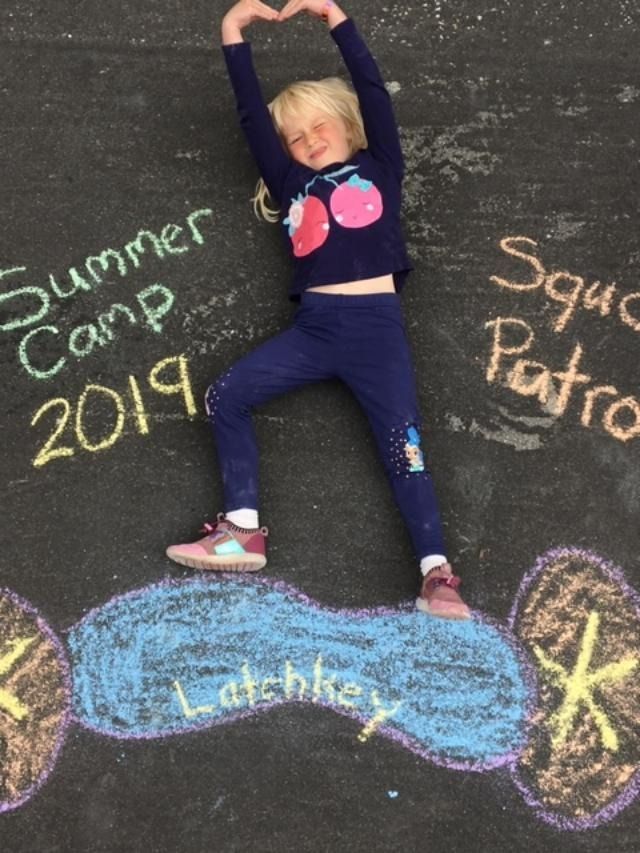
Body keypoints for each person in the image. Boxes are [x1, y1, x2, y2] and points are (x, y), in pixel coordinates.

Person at [166, 0, 471, 620]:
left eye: (318, 127)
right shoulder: (288, 183)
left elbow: (372, 88)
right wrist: (231, 33)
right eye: (296, 137)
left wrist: (336, 18)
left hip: (375, 333)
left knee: (404, 447)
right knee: (225, 393)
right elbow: (252, 115)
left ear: (347, 125)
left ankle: (436, 574)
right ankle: (243, 530)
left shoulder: (381, 163)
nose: (308, 142)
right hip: (315, 330)